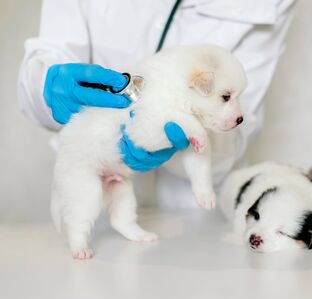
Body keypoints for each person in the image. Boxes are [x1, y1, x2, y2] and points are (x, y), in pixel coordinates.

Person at [18, 0, 296, 207]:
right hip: (94, 175)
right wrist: (47, 84)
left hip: (188, 210)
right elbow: (49, 55)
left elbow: (235, 130)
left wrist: (188, 136)